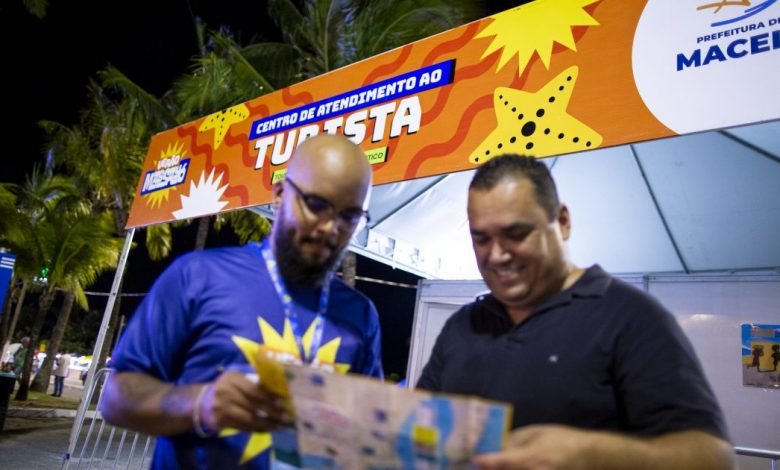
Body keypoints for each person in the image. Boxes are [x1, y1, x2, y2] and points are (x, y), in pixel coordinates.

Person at [417, 154, 734, 470]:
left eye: (516, 234)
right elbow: (416, 428)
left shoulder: (632, 318)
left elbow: (714, 458)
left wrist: (595, 455)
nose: (497, 255)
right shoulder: (462, 325)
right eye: (482, 239)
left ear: (563, 221)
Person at [101, 134, 383, 469]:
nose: (330, 228)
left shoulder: (360, 315)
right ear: (280, 194)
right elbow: (115, 398)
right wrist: (200, 404)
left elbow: (368, 434)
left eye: (350, 217)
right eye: (316, 205)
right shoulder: (197, 277)